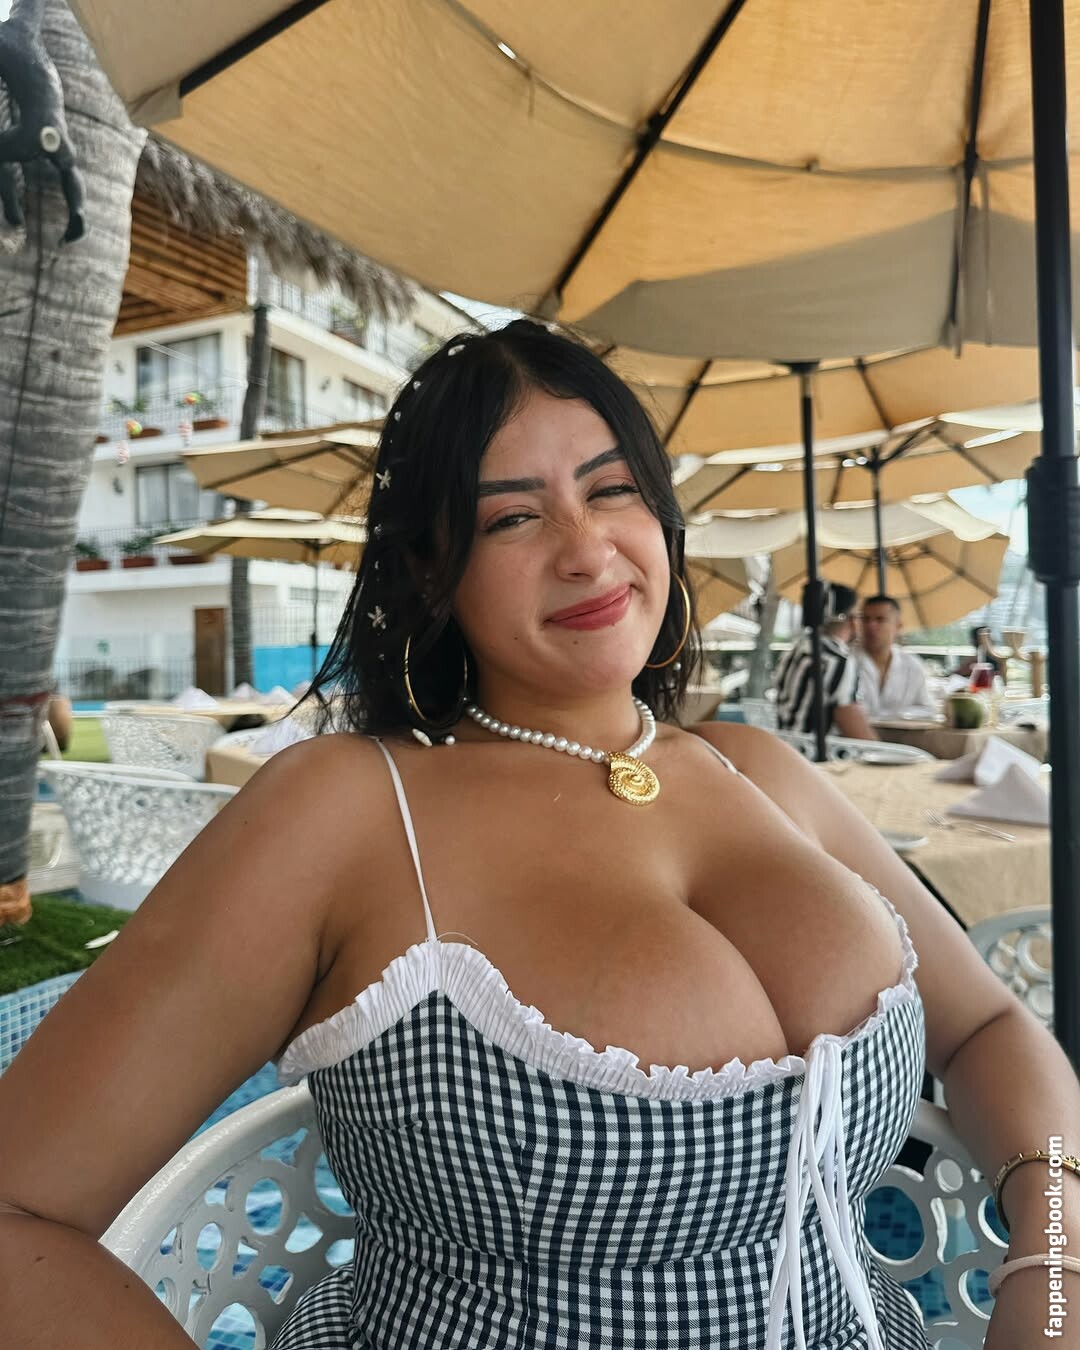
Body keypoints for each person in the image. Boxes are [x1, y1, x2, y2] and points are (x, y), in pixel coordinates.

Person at [1, 321, 1077, 1350]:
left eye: (612, 490)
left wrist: (1054, 1268)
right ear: (431, 569)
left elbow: (990, 1027)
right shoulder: (348, 811)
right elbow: (18, 1212)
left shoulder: (759, 772)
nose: (586, 550)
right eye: (513, 518)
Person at [772, 582, 878, 740]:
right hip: (816, 752)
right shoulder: (837, 661)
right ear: (852, 620)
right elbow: (853, 727)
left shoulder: (792, 653)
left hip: (785, 746)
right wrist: (884, 749)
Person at [854, 595, 933, 719]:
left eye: (880, 619)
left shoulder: (912, 665)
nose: (871, 626)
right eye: (865, 619)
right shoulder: (845, 661)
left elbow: (927, 709)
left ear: (898, 626)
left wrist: (895, 715)